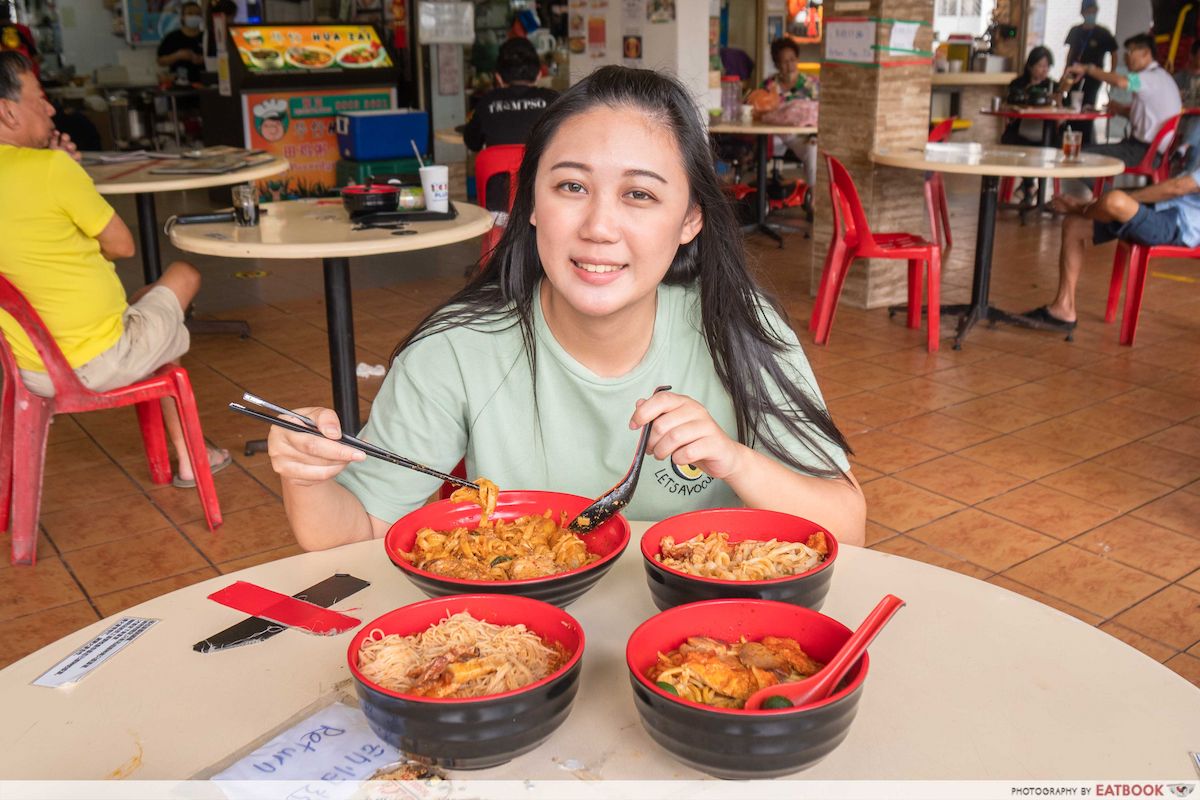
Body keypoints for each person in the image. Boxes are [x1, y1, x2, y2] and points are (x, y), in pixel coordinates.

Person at [266, 66, 867, 551]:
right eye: (571, 187)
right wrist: (303, 474)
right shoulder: (456, 351)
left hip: (700, 644)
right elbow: (355, 529)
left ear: (690, 221)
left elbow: (848, 525)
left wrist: (735, 461)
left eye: (639, 195)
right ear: (530, 202)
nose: (600, 227)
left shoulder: (739, 329)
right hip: (523, 645)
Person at [0, 52, 229, 487]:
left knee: (147, 302)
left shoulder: (39, 169)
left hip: (30, 368)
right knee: (182, 275)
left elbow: (52, 250)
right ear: (7, 111)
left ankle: (185, 451)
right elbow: (121, 246)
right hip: (98, 360)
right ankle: (188, 453)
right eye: (39, 99)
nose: (51, 109)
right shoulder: (50, 170)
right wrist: (64, 170)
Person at [1019, 169, 1200, 332]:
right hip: (1160, 209)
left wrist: (1126, 199)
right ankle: (1063, 308)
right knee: (1074, 225)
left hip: (1176, 226)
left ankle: (1083, 206)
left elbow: (1179, 187)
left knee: (1114, 200)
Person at [1067, 33, 1180, 172]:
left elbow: (1121, 82)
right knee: (1083, 151)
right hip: (1150, 151)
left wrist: (1088, 69)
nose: (1126, 57)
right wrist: (1119, 109)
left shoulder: (1150, 77)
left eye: (1130, 51)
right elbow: (1149, 116)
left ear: (1145, 53)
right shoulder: (1161, 77)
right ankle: (1105, 192)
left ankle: (1107, 194)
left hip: (1144, 152)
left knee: (1078, 155)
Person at [463, 37, 558, 153]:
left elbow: (472, 143)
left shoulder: (487, 102)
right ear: (539, 75)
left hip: (497, 171)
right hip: (539, 171)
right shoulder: (554, 101)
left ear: (498, 77)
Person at [762, 37, 818, 194]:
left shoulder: (811, 84)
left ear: (798, 59)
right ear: (777, 64)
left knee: (813, 150)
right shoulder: (769, 86)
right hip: (776, 134)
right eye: (784, 61)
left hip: (804, 135)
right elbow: (759, 109)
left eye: (792, 60)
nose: (789, 65)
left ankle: (813, 195)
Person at [1002, 47, 1057, 204]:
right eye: (1040, 65)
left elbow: (1063, 108)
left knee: (1039, 150)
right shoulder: (1018, 84)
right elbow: (1008, 105)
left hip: (1046, 135)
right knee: (1018, 146)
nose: (1043, 70)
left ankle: (1028, 188)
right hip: (1020, 133)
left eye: (1047, 66)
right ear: (1030, 66)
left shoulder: (1053, 86)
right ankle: (1030, 186)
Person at [1064, 1, 1118, 112]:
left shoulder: (1103, 33)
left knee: (1088, 103)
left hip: (1094, 75)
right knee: (1071, 101)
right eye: (1088, 11)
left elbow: (1114, 53)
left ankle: (1086, 127)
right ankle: (1069, 126)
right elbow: (1071, 51)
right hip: (1075, 72)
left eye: (1093, 11)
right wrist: (1066, 69)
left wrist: (1111, 75)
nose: (1091, 14)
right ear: (1082, 13)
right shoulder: (1075, 31)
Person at [157, 1, 206, 85]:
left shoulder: (206, 37)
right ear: (182, 17)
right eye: (190, 13)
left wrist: (203, 59)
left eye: (197, 14)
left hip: (203, 83)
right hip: (179, 84)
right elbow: (160, 61)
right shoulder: (172, 37)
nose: (194, 16)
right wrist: (177, 56)